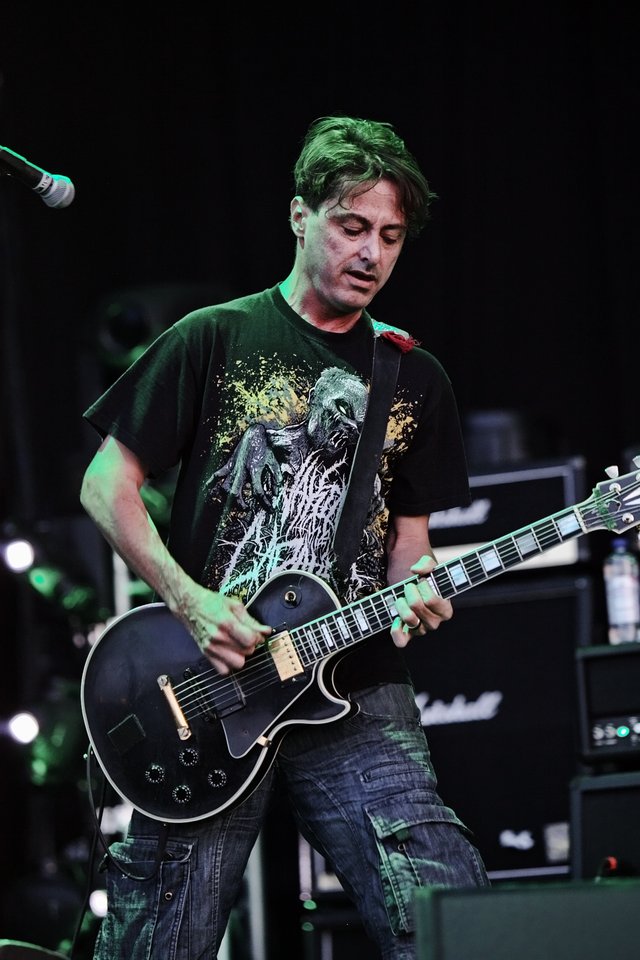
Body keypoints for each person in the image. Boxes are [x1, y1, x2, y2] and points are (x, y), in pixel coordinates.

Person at [80, 114, 489, 960]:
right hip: (211, 686)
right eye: (351, 226)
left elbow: (409, 542)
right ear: (301, 216)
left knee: (444, 915)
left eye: (390, 237)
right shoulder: (214, 337)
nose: (370, 254)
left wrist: (418, 590)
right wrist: (191, 603)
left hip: (355, 684)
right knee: (161, 939)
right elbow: (103, 485)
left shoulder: (415, 376)